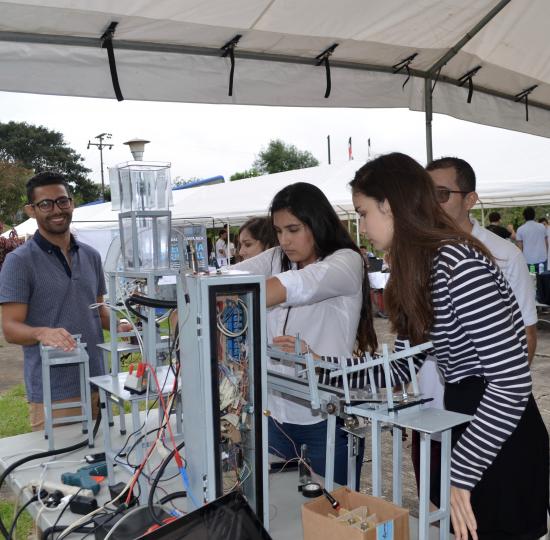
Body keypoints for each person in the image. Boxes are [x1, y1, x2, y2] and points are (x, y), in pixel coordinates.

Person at [343, 153, 548, 540]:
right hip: (467, 417)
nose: (362, 226)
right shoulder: (423, 266)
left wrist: (463, 470)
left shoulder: (459, 265)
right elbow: (406, 360)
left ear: (389, 205)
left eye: (363, 212)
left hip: (498, 430)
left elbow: (511, 382)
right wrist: (330, 373)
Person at [234, 182, 377, 486]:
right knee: (282, 510)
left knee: (330, 514)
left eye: (293, 229)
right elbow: (228, 277)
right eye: (279, 231)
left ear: (317, 222)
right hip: (277, 416)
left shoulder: (345, 261)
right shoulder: (276, 258)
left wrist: (234, 292)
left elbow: (298, 286)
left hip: (326, 418)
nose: (284, 240)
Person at [0, 172, 131, 431]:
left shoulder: (91, 256)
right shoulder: (20, 262)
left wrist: (122, 325)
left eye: (62, 201)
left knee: (104, 464)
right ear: (31, 210)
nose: (56, 210)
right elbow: (10, 329)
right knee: (64, 467)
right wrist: (41, 332)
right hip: (55, 391)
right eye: (45, 204)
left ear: (71, 204)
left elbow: (97, 310)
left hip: (100, 383)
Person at [517, 206, 548, 272]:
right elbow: (546, 243)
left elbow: (520, 248)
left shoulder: (520, 229)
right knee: (543, 279)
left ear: (524, 216)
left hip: (529, 261)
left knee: (532, 280)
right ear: (534, 215)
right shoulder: (542, 227)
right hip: (542, 260)